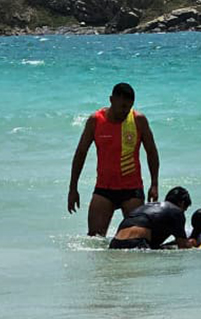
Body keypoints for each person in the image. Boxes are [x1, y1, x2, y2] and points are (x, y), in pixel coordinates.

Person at [68, 83, 160, 236]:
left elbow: (151, 152)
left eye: (129, 107)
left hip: (132, 190)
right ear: (111, 100)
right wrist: (73, 188)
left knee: (136, 239)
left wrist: (154, 184)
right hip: (104, 189)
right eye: (122, 106)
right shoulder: (96, 121)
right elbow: (80, 153)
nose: (125, 111)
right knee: (94, 239)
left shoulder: (138, 120)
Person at [109, 186, 193, 250]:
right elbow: (183, 246)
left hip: (115, 243)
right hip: (136, 243)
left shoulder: (148, 206)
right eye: (185, 209)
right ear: (182, 203)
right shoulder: (177, 212)